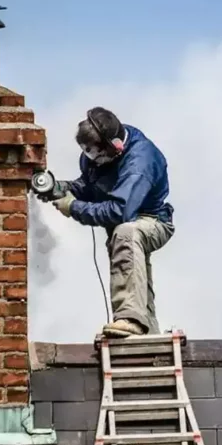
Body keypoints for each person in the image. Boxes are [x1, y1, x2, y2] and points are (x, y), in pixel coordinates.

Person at [40, 106, 175, 338]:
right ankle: (148, 332)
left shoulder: (139, 161)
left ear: (116, 148)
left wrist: (73, 207)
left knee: (126, 232)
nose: (92, 160)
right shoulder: (99, 156)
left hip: (152, 221)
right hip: (126, 222)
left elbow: (119, 211)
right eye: (88, 154)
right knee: (135, 274)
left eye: (96, 155)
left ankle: (130, 319)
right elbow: (91, 186)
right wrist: (60, 189)